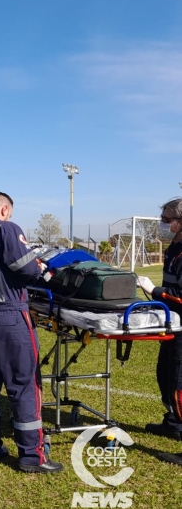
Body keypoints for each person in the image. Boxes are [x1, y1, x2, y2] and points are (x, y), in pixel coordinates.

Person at [0, 192, 63, 473]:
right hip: (7, 315)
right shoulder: (6, 229)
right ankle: (32, 455)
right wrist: (40, 267)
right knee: (24, 384)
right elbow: (27, 268)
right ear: (4, 209)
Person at [137, 197, 182, 465]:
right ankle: (173, 423)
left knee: (178, 383)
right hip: (171, 322)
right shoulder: (173, 247)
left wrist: (155, 290)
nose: (164, 225)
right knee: (164, 374)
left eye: (168, 220)